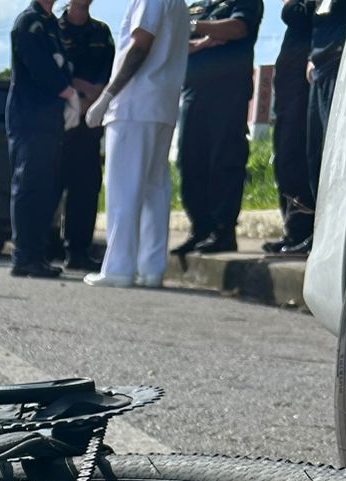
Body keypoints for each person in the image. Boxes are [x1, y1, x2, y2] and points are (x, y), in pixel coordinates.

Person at [82, 0, 191, 288]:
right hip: (162, 104)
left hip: (134, 104)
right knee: (154, 190)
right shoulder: (179, 4)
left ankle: (119, 267)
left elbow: (141, 44)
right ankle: (151, 267)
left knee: (123, 188)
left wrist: (107, 95)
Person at [174, 1, 263, 256]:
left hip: (228, 91)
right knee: (189, 161)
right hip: (193, 92)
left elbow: (237, 28)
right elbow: (174, 43)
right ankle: (200, 228)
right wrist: (203, 37)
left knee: (224, 159)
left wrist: (194, 26)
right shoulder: (196, 6)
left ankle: (223, 231)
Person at [7, 0, 76, 278]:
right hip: (30, 116)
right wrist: (68, 92)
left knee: (45, 187)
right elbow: (40, 67)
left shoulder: (51, 24)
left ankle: (36, 254)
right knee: (29, 184)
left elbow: (63, 65)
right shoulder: (29, 22)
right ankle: (23, 256)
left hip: (48, 118)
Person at [50, 0, 116, 272]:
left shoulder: (101, 32)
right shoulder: (53, 29)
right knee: (51, 185)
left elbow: (111, 70)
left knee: (86, 187)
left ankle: (78, 251)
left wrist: (94, 95)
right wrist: (78, 90)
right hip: (57, 122)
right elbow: (52, 70)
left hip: (89, 123)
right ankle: (43, 248)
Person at [262, 0, 314, 255]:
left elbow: (303, 13)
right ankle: (294, 230)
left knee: (298, 154)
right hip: (289, 80)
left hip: (306, 76)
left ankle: (305, 229)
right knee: (285, 156)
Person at [306, 0, 346, 201]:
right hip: (320, 68)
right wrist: (311, 58)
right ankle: (321, 221)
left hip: (342, 64)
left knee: (339, 153)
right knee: (316, 154)